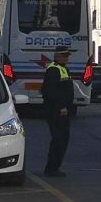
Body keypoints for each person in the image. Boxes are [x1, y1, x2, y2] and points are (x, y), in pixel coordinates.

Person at [42, 46, 74, 177]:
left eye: (67, 56)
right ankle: (51, 168)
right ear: (58, 57)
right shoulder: (53, 70)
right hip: (57, 111)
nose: (67, 58)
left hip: (62, 110)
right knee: (58, 139)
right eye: (65, 56)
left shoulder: (63, 69)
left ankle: (55, 166)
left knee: (63, 138)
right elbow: (50, 92)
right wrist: (61, 107)